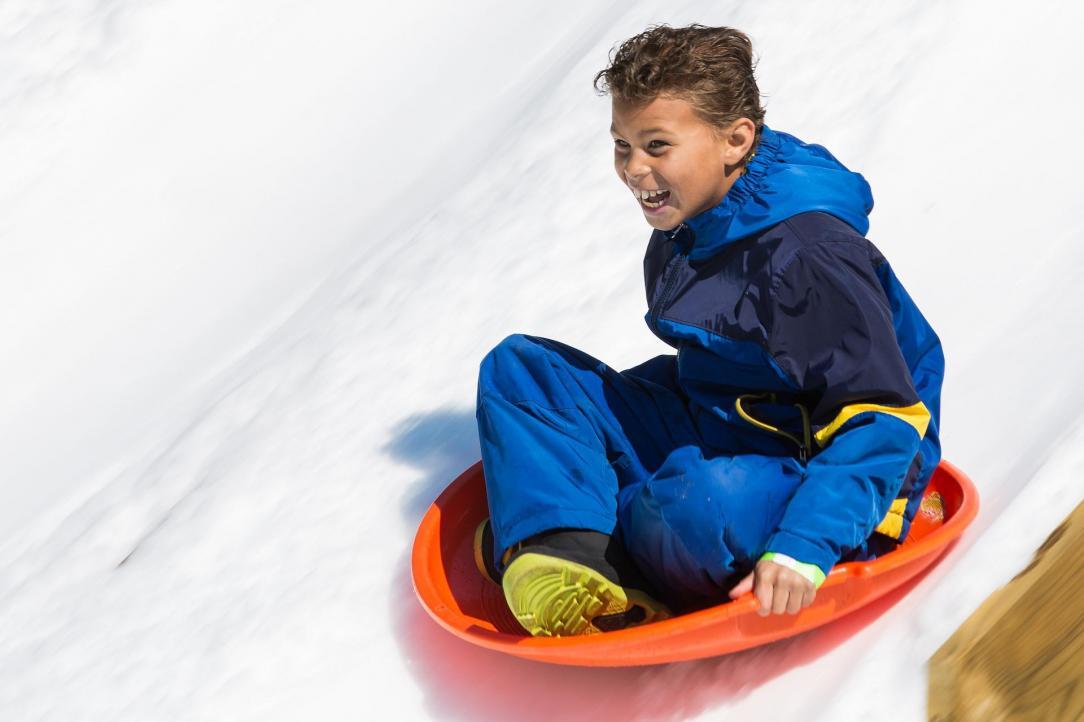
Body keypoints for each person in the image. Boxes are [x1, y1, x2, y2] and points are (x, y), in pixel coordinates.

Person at [473, 23, 944, 637]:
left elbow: (885, 418)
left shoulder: (804, 254)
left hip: (830, 472)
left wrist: (802, 546)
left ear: (735, 140)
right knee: (523, 371)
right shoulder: (695, 214)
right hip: (726, 419)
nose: (633, 168)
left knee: (695, 505)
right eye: (622, 144)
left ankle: (590, 534)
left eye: (657, 145)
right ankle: (570, 545)